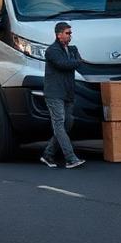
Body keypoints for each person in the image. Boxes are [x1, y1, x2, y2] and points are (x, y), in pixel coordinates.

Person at [40, 21, 85, 169]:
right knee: (59, 124)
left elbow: (76, 61)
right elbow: (64, 64)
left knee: (67, 124)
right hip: (54, 93)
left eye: (70, 33)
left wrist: (75, 61)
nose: (70, 35)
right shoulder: (52, 51)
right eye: (67, 33)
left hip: (68, 92)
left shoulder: (72, 49)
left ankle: (48, 154)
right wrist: (76, 61)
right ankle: (70, 158)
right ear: (59, 35)